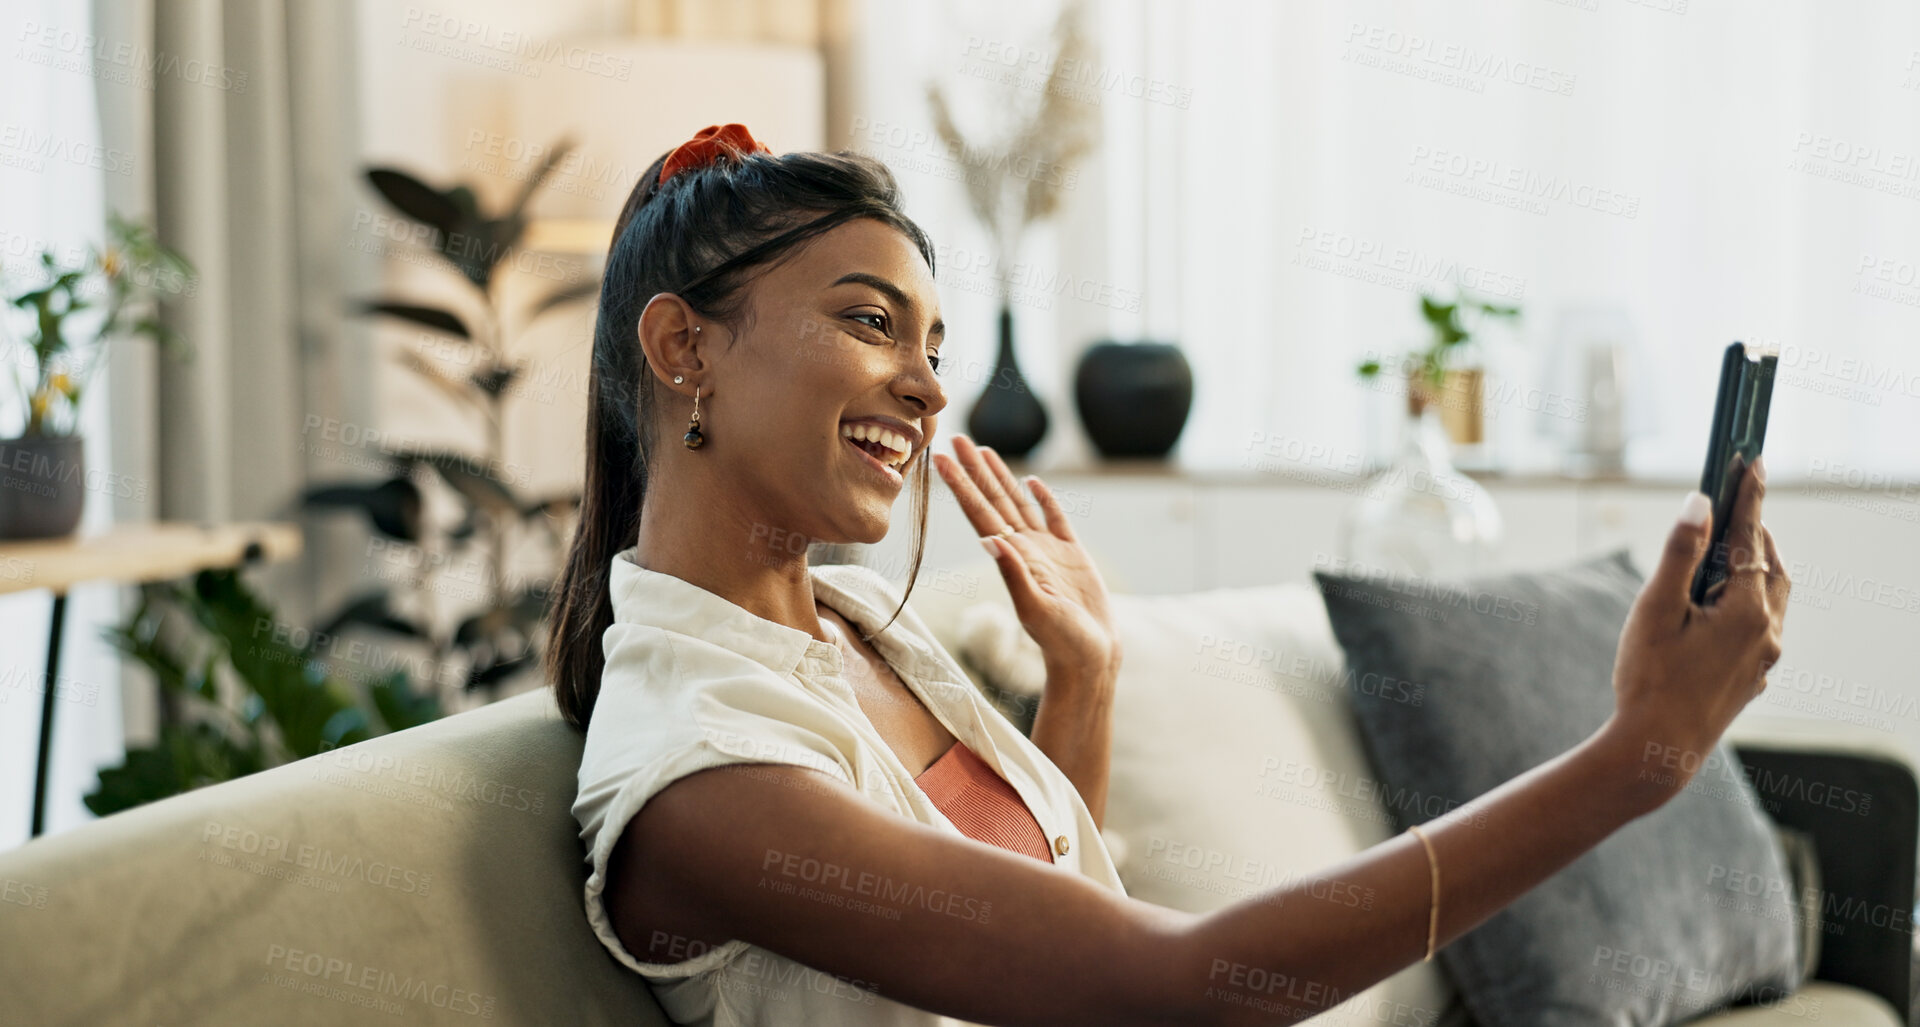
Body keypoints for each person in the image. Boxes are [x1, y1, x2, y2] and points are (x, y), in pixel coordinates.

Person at [546, 124, 1790, 1026]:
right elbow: (1174, 987)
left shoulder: (856, 623)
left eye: (933, 343)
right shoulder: (702, 769)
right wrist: (1634, 763)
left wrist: (1081, 682)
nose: (928, 388)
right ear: (682, 348)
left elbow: (1036, 941)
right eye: (872, 323)